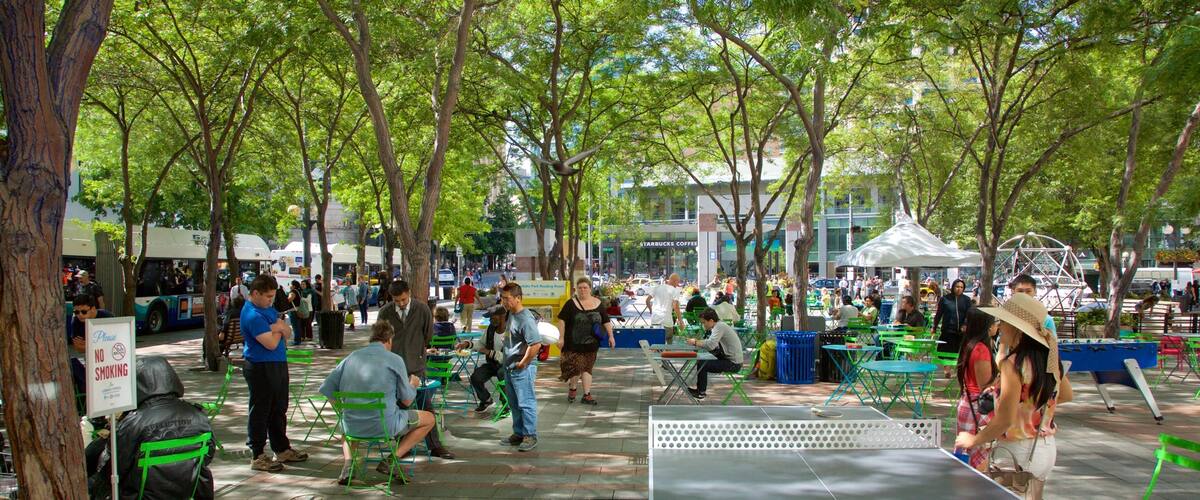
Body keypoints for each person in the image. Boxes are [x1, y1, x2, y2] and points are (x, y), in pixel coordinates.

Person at [956, 294, 1073, 499]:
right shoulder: (1049, 358)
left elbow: (1004, 420)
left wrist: (973, 440)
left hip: (1017, 450)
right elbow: (1065, 395)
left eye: (1004, 322)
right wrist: (1029, 407)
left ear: (1016, 327)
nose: (1000, 327)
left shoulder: (1013, 364)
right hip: (1045, 449)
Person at [319, 321, 436, 485]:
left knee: (349, 423)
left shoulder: (351, 357)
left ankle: (348, 465)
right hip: (384, 425)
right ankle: (391, 460)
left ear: (371, 337)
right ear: (389, 340)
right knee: (429, 418)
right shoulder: (394, 359)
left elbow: (326, 388)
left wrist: (341, 410)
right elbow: (407, 400)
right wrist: (413, 385)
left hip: (352, 424)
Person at [86, 356, 215, 499]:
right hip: (188, 493)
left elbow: (114, 469)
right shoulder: (199, 416)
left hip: (142, 495)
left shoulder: (133, 423)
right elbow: (207, 456)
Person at [377, 281, 454, 459]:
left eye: (403, 299)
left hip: (416, 367)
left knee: (425, 404)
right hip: (393, 368)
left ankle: (435, 445)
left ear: (409, 293)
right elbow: (381, 338)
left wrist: (418, 353)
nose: (401, 303)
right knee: (400, 405)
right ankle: (403, 446)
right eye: (397, 301)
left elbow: (428, 335)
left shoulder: (422, 309)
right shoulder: (385, 312)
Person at [240, 274, 307, 472]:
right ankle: (258, 454)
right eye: (268, 297)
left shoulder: (267, 310)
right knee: (261, 410)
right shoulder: (252, 314)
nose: (271, 301)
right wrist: (278, 328)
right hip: (260, 366)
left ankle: (281, 448)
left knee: (279, 408)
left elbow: (288, 332)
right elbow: (270, 342)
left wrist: (276, 328)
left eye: (272, 296)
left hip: (278, 363)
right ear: (255, 293)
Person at [556, 277, 615, 405]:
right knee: (576, 368)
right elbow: (561, 320)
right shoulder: (570, 304)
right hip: (573, 343)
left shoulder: (598, 303)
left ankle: (587, 395)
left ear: (590, 289)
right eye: (580, 288)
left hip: (591, 344)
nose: (582, 290)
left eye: (585, 287)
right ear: (576, 289)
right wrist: (561, 337)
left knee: (587, 368)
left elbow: (606, 321)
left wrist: (611, 336)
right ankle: (573, 388)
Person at [498, 283, 542, 452]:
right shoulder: (511, 314)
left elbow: (535, 345)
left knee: (526, 402)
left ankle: (530, 435)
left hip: (522, 368)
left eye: (507, 298)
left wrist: (523, 362)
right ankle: (519, 433)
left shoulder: (525, 318)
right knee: (514, 403)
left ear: (518, 298)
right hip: (510, 366)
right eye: (502, 298)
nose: (504, 301)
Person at [954, 307, 999, 470]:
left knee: (966, 456)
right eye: (995, 322)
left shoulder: (971, 345)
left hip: (968, 404)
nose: (997, 326)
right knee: (977, 457)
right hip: (977, 408)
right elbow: (986, 386)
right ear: (987, 326)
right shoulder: (981, 349)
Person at [457, 306, 508, 413]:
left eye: (492, 317)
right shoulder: (490, 329)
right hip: (492, 364)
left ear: (502, 316)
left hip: (506, 365)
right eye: (489, 318)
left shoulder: (510, 331)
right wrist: (467, 344)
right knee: (476, 377)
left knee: (502, 374)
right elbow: (481, 344)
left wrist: (489, 352)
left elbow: (508, 356)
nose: (490, 320)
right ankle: (486, 400)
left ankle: (506, 405)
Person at [686, 309, 745, 400]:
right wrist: (698, 342)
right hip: (730, 359)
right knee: (702, 359)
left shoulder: (719, 327)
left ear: (711, 321)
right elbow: (711, 344)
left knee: (702, 364)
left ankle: (701, 392)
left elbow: (711, 345)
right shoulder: (719, 325)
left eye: (704, 322)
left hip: (733, 364)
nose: (703, 325)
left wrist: (695, 342)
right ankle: (700, 390)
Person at [67, 294, 114, 398]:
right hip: (92, 362)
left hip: (110, 363)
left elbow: (112, 346)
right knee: (72, 362)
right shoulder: (76, 321)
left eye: (84, 312)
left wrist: (88, 344)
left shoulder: (107, 317)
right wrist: (97, 344)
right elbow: (78, 348)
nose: (80, 315)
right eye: (76, 312)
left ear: (93, 309)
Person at [933, 279, 973, 368]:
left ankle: (956, 369)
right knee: (945, 352)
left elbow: (969, 314)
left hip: (961, 332)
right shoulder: (945, 299)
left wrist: (965, 324)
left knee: (959, 352)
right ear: (953, 287)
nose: (959, 289)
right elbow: (939, 314)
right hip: (948, 330)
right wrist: (934, 326)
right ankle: (947, 368)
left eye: (961, 287)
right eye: (957, 287)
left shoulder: (966, 300)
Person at [647, 273, 684, 338]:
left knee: (655, 342)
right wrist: (680, 321)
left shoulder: (657, 287)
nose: (678, 284)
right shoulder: (675, 291)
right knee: (667, 343)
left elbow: (647, 300)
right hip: (666, 322)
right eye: (678, 282)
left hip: (655, 320)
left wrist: (651, 311)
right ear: (675, 281)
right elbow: (675, 306)